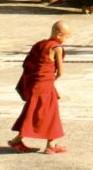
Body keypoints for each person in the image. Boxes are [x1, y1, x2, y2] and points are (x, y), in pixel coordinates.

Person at [9, 21, 71, 154]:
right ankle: (16, 140)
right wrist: (50, 80)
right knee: (38, 114)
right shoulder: (57, 48)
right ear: (58, 34)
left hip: (35, 83)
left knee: (46, 113)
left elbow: (28, 64)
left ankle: (51, 144)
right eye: (65, 37)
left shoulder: (39, 44)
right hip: (45, 85)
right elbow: (60, 72)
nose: (65, 40)